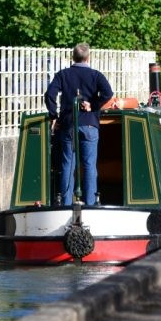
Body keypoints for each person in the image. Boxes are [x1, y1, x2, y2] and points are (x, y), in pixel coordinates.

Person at [44, 42, 113, 206]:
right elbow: (108, 94)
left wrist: (53, 116)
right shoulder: (96, 75)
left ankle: (66, 204)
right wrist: (92, 106)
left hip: (68, 126)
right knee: (89, 166)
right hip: (89, 126)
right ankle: (90, 204)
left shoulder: (63, 74)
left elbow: (49, 95)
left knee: (68, 165)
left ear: (73, 57)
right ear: (88, 57)